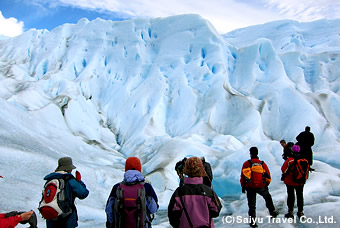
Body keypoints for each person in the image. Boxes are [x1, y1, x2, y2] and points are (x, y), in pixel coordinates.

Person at [168, 157, 222, 228]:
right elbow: (216, 211)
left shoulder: (179, 192)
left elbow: (173, 215)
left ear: (186, 170)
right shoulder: (208, 191)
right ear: (201, 170)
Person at [105, 157, 159, 228]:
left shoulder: (117, 187)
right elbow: (153, 208)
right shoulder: (146, 187)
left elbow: (109, 210)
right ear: (139, 169)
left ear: (126, 169)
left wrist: (111, 224)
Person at [44, 157, 89, 228]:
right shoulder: (69, 180)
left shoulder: (51, 179)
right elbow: (83, 194)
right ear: (68, 168)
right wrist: (79, 181)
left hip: (51, 215)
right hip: (66, 217)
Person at [240, 147, 278, 228]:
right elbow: (268, 175)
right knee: (267, 197)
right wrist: (265, 184)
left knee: (252, 205)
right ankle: (272, 212)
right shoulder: (262, 163)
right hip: (261, 186)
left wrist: (243, 186)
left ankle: (253, 223)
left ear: (250, 154)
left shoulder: (246, 163)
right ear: (257, 153)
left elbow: (242, 176)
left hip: (250, 187)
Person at [281, 145, 307, 218]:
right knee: (300, 196)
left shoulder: (290, 160)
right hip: (300, 182)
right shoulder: (304, 160)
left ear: (292, 151)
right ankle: (300, 212)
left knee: (291, 196)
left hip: (290, 182)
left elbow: (283, 169)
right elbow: (306, 171)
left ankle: (290, 212)